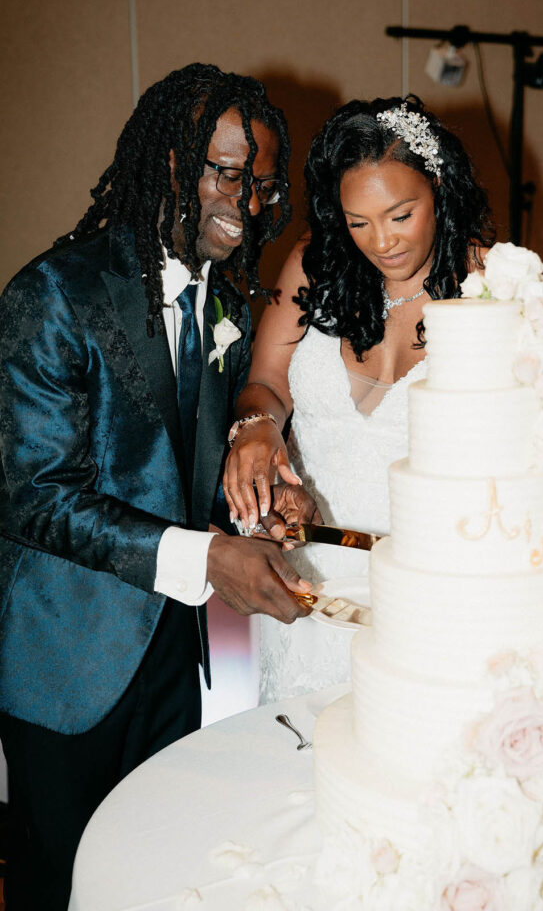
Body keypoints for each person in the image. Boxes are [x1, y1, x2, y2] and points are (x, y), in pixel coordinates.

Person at [0, 63, 317, 910]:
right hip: (63, 664)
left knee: (153, 874)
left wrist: (255, 509)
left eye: (260, 184)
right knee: (61, 884)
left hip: (172, 658)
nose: (246, 203)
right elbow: (33, 496)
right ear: (172, 163)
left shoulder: (229, 307)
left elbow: (185, 479)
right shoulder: (52, 296)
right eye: (226, 173)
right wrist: (210, 558)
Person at [224, 96, 495, 703]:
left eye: (401, 214)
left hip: (429, 595)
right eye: (358, 221)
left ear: (439, 189)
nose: (383, 243)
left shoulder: (495, 288)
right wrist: (259, 428)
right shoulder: (313, 264)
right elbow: (264, 383)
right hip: (309, 580)